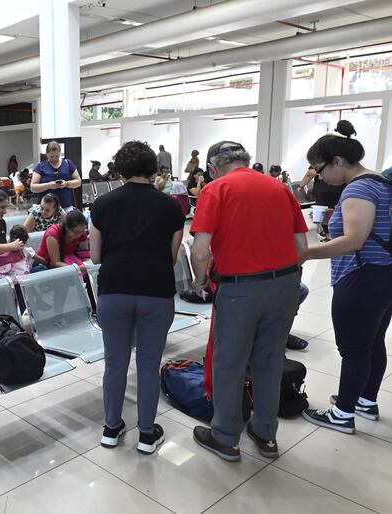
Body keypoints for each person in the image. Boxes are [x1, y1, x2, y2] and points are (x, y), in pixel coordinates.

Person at [189, 140, 307, 461]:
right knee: (269, 361)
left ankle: (226, 437)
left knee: (230, 362)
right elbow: (301, 245)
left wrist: (200, 283)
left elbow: (200, 252)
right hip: (285, 285)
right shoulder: (280, 188)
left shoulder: (216, 189)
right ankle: (266, 434)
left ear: (213, 168)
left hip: (240, 288)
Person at [89, 140, 185, 454]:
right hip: (156, 291)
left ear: (120, 169)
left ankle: (111, 428)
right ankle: (146, 434)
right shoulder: (171, 206)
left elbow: (95, 256)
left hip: (114, 288)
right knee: (147, 364)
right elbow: (172, 257)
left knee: (115, 363)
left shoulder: (101, 206)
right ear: (152, 169)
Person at [299, 121, 392, 434]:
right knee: (372, 341)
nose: (320, 176)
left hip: (361, 275)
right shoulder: (381, 181)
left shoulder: (360, 187)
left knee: (353, 349)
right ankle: (365, 400)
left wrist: (306, 253)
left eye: (320, 168)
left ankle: (342, 414)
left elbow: (354, 240)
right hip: (383, 274)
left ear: (338, 161)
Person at [31, 141, 82, 212]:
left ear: (60, 153)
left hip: (65, 206)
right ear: (47, 154)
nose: (54, 159)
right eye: (51, 156)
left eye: (57, 156)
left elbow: (78, 182)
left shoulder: (68, 163)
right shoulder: (40, 166)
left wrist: (66, 184)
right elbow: (33, 187)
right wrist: (49, 185)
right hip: (46, 209)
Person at [299, 164, 345, 242]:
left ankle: (328, 235)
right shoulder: (341, 161)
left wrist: (301, 186)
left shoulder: (320, 159)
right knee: (338, 211)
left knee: (324, 212)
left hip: (324, 190)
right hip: (341, 189)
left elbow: (310, 173)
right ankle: (337, 234)